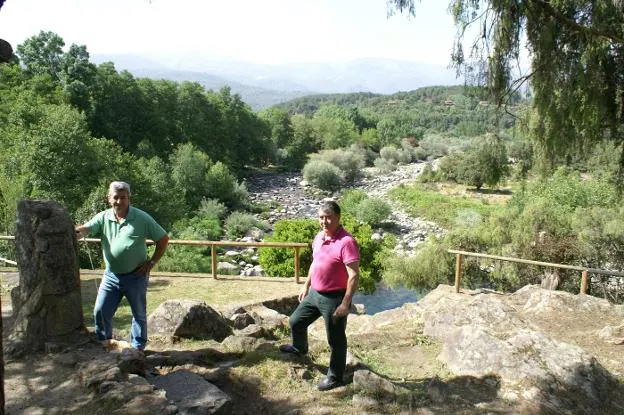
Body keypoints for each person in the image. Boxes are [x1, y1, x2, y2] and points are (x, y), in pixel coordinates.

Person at [75, 181, 169, 351]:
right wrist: (72, 232)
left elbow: (163, 238)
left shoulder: (141, 218)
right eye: (115, 198)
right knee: (101, 311)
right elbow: (86, 229)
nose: (119, 201)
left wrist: (152, 262)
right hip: (111, 276)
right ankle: (104, 345)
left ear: (128, 198)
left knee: (139, 314)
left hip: (136, 276)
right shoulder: (103, 217)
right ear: (109, 199)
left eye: (123, 198)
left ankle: (137, 349)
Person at [280, 200, 360, 391]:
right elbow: (315, 263)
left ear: (338, 218)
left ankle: (335, 377)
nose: (324, 221)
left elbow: (354, 275)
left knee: (335, 340)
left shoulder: (346, 242)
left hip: (334, 298)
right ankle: (300, 348)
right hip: (315, 293)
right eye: (321, 217)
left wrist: (345, 303)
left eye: (328, 217)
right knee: (295, 322)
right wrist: (306, 286)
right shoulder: (319, 237)